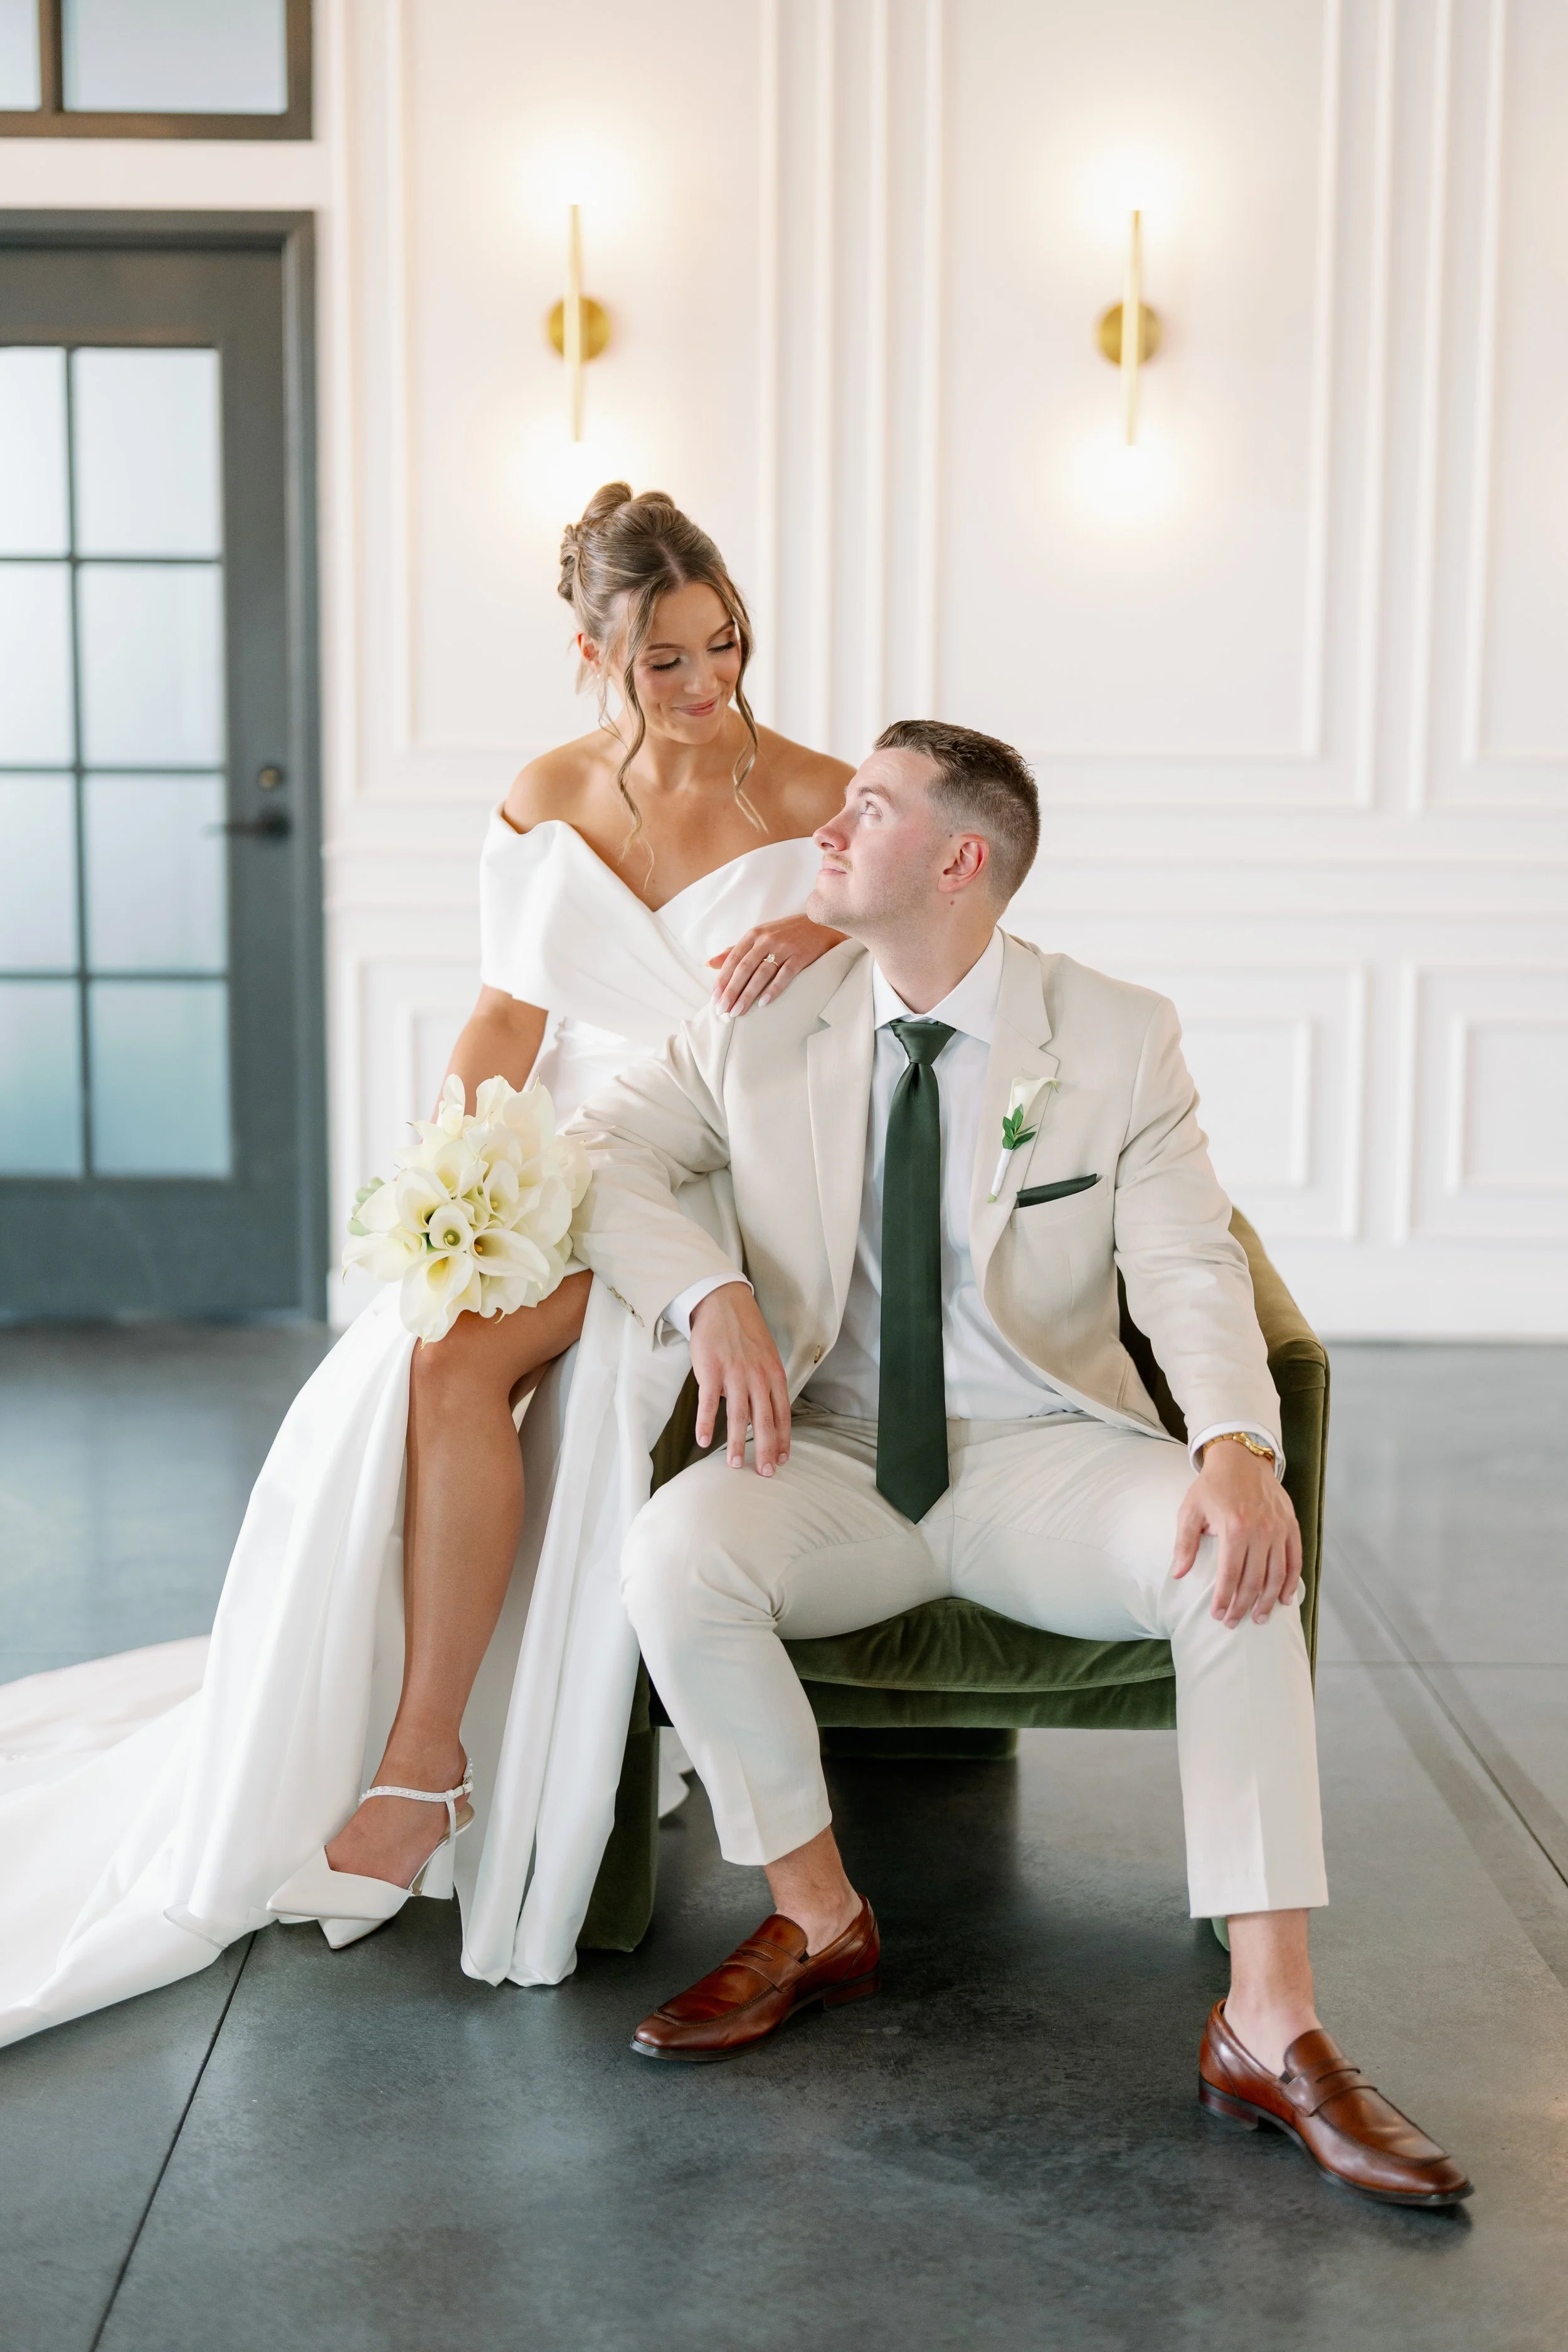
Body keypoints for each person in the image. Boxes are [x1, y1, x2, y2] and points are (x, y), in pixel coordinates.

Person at [564, 718, 1472, 2210]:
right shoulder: (762, 1016)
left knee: (1231, 1565)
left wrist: (1234, 1446)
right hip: (831, 1453)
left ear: (958, 861)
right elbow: (600, 1155)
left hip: (1051, 1456)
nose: (825, 831)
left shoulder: (1113, 1033)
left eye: (868, 809)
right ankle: (814, 1914)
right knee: (673, 1554)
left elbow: (1184, 1263)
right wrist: (705, 1293)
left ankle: (1269, 2020)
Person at [0, 485, 849, 2048]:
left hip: (728, 1176)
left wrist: (827, 933)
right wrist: (458, 1166)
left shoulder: (819, 796)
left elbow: (928, 958)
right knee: (429, 1348)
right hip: (573, 1152)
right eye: (664, 659)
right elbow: (507, 1017)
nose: (706, 682)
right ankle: (421, 1752)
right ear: (593, 653)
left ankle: (421, 1764)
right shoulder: (548, 792)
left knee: (495, 1354)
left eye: (723, 644)